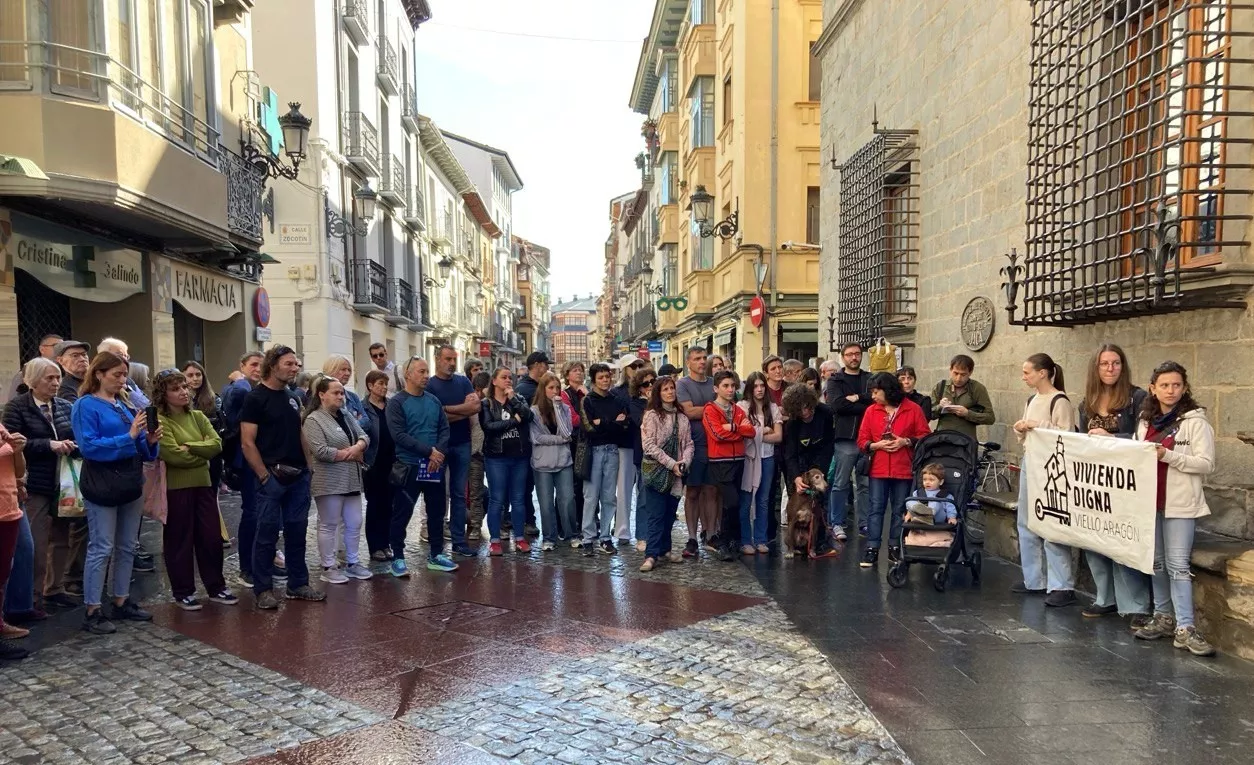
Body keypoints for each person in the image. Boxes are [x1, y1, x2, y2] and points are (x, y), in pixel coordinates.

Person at [1131, 361, 1216, 656]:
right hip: (1149, 501)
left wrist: (1169, 456)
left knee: (1178, 566)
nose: (1171, 390)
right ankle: (1163, 617)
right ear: (1153, 388)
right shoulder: (1145, 422)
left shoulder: (1196, 422)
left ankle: (1186, 627)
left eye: (1176, 385)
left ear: (1184, 387)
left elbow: (1206, 464)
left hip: (1180, 504)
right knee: (1156, 563)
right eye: (1164, 385)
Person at [72, 352, 159, 634]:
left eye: (124, 375)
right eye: (116, 375)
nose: (122, 380)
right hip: (103, 483)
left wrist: (150, 441)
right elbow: (89, 446)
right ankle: (92, 609)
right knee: (102, 546)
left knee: (126, 545)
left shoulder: (123, 404)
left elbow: (141, 447)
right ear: (99, 374)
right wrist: (129, 436)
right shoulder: (85, 405)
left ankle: (121, 600)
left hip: (130, 481)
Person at [240, 345, 324, 609]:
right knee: (266, 535)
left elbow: (299, 432)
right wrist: (264, 477)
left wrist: (309, 467)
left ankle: (298, 584)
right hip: (271, 477)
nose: (295, 368)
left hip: (298, 476)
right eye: (289, 363)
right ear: (273, 365)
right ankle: (263, 589)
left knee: (297, 532)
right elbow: (247, 442)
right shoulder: (255, 398)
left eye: (296, 364)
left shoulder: (292, 397)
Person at [1078, 344, 1152, 626]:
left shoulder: (1137, 398)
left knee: (1124, 541)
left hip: (1126, 482)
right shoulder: (1086, 403)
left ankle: (1135, 604)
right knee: (1094, 540)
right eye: (1104, 363)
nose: (1110, 368)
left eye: (1116, 363)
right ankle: (1104, 597)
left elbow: (1143, 438)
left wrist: (1112, 438)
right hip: (1094, 482)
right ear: (1095, 368)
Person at [152, 370, 236, 610]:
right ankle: (183, 591)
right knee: (179, 540)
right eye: (175, 389)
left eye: (184, 387)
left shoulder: (198, 416)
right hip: (177, 488)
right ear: (163, 394)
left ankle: (216, 586)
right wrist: (202, 453)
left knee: (210, 538)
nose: (183, 392)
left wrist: (189, 447)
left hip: (203, 485)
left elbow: (216, 444)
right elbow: (171, 454)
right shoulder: (160, 420)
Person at [3, 358, 80, 613]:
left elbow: (75, 435)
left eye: (58, 377)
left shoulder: (65, 406)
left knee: (61, 536)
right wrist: (49, 445)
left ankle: (54, 588)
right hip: (35, 481)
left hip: (64, 480)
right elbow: (14, 445)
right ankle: (32, 598)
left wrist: (71, 445)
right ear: (33, 381)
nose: (56, 383)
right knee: (36, 541)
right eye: (50, 378)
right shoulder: (17, 407)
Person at [1012, 353, 1078, 607]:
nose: (1024, 377)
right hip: (1031, 461)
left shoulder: (1059, 401)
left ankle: (1061, 583)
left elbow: (1067, 436)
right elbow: (1026, 438)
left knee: (1052, 522)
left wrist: (1037, 425)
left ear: (1042, 373)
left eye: (1027, 372)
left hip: (1052, 468)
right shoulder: (1031, 400)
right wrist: (1021, 428)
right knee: (1026, 520)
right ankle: (1034, 579)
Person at [386, 358, 457, 574]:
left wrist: (438, 453)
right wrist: (429, 452)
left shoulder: (434, 401)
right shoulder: (397, 403)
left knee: (437, 512)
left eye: (427, 371)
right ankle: (398, 557)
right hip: (409, 466)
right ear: (407, 374)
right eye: (421, 372)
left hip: (434, 466)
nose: (426, 376)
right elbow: (399, 435)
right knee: (402, 513)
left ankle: (436, 554)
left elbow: (444, 429)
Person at [302, 374, 372, 585]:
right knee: (329, 523)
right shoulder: (313, 420)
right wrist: (351, 454)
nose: (341, 397)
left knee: (354, 522)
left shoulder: (345, 414)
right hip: (329, 481)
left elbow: (364, 435)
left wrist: (358, 447)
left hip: (352, 479)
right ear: (322, 395)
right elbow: (320, 451)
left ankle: (352, 562)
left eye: (342, 393)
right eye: (336, 393)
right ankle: (328, 566)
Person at [856, 373, 931, 567]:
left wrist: (905, 441)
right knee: (876, 508)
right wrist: (876, 445)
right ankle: (872, 547)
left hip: (903, 467)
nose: (872, 396)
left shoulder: (913, 409)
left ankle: (895, 546)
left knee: (899, 509)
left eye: (876, 392)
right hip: (878, 468)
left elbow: (925, 435)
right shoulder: (871, 411)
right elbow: (862, 440)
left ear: (887, 391)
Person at [220, 351, 272, 586]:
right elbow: (237, 396)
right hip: (247, 462)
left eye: (262, 365)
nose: (258, 369)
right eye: (253, 364)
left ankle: (264, 562)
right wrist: (240, 379)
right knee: (251, 512)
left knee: (267, 514)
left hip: (267, 458)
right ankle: (246, 568)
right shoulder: (237, 389)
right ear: (242, 366)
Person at [424, 346, 480, 557]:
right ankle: (436, 543)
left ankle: (459, 541)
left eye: (454, 359)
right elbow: (433, 417)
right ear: (437, 359)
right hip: (438, 447)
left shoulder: (463, 381)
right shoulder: (430, 385)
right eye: (447, 359)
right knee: (437, 495)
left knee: (458, 494)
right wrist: (461, 411)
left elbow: (475, 408)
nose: (451, 363)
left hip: (462, 443)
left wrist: (446, 409)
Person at [639, 375, 694, 572]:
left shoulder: (682, 417)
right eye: (665, 389)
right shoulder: (652, 416)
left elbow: (689, 444)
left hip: (677, 473)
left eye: (672, 388)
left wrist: (684, 462)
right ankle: (651, 555)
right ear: (658, 393)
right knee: (656, 514)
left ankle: (665, 549)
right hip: (657, 471)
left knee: (670, 514)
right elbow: (648, 445)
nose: (670, 392)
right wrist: (671, 464)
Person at [703, 370, 756, 561]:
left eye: (733, 386)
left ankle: (732, 540)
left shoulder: (737, 410)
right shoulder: (710, 409)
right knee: (731, 501)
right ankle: (724, 541)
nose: (730, 389)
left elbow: (750, 431)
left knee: (734, 503)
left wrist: (733, 427)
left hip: (738, 460)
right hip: (720, 461)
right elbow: (717, 434)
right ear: (716, 388)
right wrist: (739, 432)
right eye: (725, 386)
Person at [480, 367, 534, 556]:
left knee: (518, 499)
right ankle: (495, 541)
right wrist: (514, 422)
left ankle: (519, 538)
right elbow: (489, 426)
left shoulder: (518, 399)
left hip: (519, 456)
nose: (508, 380)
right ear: (494, 381)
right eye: (504, 377)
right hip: (496, 457)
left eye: (510, 378)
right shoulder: (487, 403)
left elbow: (529, 416)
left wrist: (513, 399)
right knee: (497, 499)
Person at [580, 362, 629, 555]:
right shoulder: (587, 401)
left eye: (607, 377)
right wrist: (612, 423)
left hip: (612, 450)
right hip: (594, 451)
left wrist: (602, 423)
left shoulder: (616, 400)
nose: (605, 381)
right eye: (601, 377)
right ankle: (588, 537)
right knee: (591, 496)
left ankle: (605, 537)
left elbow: (624, 425)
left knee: (609, 497)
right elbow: (589, 428)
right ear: (594, 380)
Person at [824, 342, 872, 538]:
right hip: (845, 438)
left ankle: (865, 523)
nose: (854, 357)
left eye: (857, 354)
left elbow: (877, 400)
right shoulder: (836, 380)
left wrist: (857, 397)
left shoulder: (869, 378)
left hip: (868, 439)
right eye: (850, 354)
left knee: (865, 483)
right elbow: (837, 405)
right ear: (843, 357)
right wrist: (865, 405)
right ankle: (837, 522)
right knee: (841, 482)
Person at [181, 361, 230, 548]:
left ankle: (211, 534)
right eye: (190, 375)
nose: (195, 379)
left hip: (211, 455)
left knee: (210, 495)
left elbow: (219, 430)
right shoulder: (180, 400)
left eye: (198, 374)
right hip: (188, 454)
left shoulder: (213, 399)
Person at [781, 384, 837, 548]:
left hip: (820, 458)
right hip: (799, 461)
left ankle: (819, 541)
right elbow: (790, 454)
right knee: (797, 503)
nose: (805, 412)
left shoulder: (825, 413)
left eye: (807, 407)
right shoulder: (793, 423)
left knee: (819, 502)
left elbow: (828, 446)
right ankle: (794, 543)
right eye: (800, 410)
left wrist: (821, 472)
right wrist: (796, 477)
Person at [677, 347, 718, 557]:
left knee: (711, 491)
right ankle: (692, 538)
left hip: (715, 445)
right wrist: (714, 409)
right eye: (697, 358)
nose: (702, 362)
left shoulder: (714, 383)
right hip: (694, 445)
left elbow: (726, 406)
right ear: (688, 362)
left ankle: (711, 535)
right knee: (692, 492)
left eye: (704, 358)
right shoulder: (683, 384)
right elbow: (688, 411)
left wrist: (704, 409)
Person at [737, 372, 782, 555]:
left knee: (763, 500)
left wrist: (756, 434)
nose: (759, 389)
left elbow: (778, 437)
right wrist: (764, 431)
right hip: (749, 458)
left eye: (762, 385)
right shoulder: (741, 407)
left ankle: (761, 539)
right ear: (750, 388)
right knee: (746, 500)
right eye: (755, 386)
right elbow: (743, 434)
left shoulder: (773, 407)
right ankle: (745, 540)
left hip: (767, 457)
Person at [530, 372, 576, 550]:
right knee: (546, 503)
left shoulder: (564, 409)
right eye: (551, 388)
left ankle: (571, 534)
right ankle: (549, 537)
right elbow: (536, 437)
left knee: (567, 500)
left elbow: (567, 433)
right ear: (543, 389)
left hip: (563, 461)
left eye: (557, 387)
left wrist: (558, 408)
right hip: (542, 463)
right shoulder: (534, 411)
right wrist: (559, 440)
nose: (555, 391)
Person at [0, 421, 29, 653]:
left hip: (9, 507)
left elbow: (18, 471)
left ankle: (0, 623)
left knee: (2, 573)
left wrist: (18, 450)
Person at [612, 356, 647, 545]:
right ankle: (622, 531)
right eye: (633, 366)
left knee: (644, 491)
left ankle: (643, 533)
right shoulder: (617, 392)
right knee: (624, 490)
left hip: (645, 446)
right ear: (625, 369)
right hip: (625, 445)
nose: (637, 368)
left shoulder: (647, 390)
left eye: (640, 365)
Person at [362, 370, 396, 560]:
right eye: (380, 384)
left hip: (392, 461)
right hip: (373, 462)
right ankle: (375, 546)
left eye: (385, 383)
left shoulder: (391, 405)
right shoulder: (363, 407)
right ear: (370, 386)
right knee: (375, 504)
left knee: (389, 504)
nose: (384, 387)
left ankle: (386, 543)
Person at [931, 354, 996, 440]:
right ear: (950, 370)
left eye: (963, 374)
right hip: (943, 439)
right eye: (955, 373)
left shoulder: (977, 388)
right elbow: (929, 415)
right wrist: (940, 407)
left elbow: (990, 418)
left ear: (970, 372)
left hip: (966, 441)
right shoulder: (940, 387)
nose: (958, 378)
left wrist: (967, 414)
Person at [628, 368, 656, 551]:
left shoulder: (663, 401)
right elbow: (642, 422)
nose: (650, 386)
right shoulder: (635, 404)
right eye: (646, 384)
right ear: (639, 388)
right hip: (644, 455)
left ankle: (657, 536)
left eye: (653, 382)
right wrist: (651, 402)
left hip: (664, 455)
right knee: (644, 496)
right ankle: (642, 536)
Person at [561, 361, 587, 537]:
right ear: (567, 374)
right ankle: (570, 523)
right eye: (575, 370)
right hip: (573, 444)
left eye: (581, 370)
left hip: (586, 444)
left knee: (585, 486)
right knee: (572, 486)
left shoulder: (585, 392)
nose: (579, 373)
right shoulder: (565, 395)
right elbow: (574, 420)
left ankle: (586, 519)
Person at [468, 371, 491, 541]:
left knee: (498, 493)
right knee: (475, 492)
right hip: (475, 453)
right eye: (476, 389)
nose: (478, 394)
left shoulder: (495, 404)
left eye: (481, 389)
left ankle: (499, 526)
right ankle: (475, 526)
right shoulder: (471, 404)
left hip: (494, 453)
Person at [5, 333, 61, 404]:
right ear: (42, 349)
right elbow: (13, 401)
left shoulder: (67, 371)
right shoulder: (26, 372)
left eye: (62, 346)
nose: (60, 349)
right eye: (56, 346)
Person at [97, 338, 150, 410]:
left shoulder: (129, 382)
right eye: (120, 354)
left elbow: (146, 406)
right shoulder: (91, 393)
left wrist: (128, 390)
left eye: (126, 356)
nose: (124, 359)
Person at [322, 355, 370, 430]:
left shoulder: (353, 397)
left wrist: (350, 425)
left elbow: (366, 422)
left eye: (349, 370)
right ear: (331, 370)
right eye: (343, 369)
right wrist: (356, 422)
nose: (347, 373)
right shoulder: (323, 396)